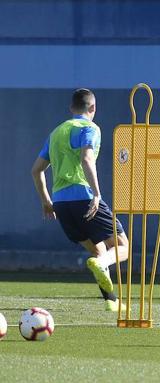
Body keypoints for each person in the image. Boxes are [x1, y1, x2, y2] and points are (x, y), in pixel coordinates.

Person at [31, 88, 129, 312]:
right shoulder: (90, 128)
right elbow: (86, 159)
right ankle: (102, 265)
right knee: (123, 246)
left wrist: (46, 202)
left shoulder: (56, 132)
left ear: (71, 109)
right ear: (92, 108)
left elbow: (36, 171)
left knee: (98, 251)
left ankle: (111, 301)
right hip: (84, 197)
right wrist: (97, 193)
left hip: (61, 204)